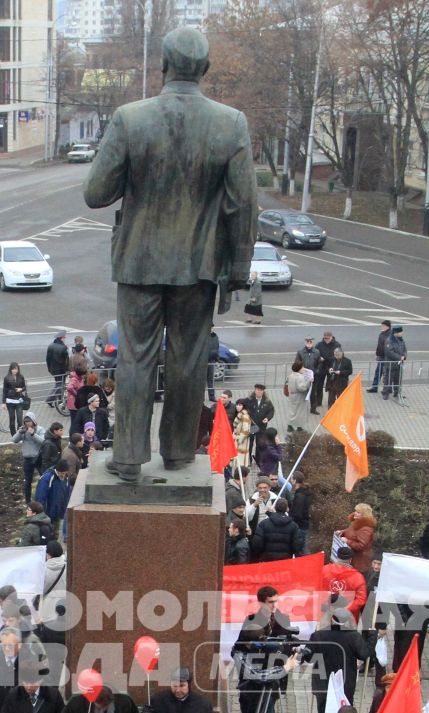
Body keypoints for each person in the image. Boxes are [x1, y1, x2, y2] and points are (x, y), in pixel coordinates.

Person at [81, 25, 255, 482]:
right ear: (205, 68)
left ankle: (128, 457)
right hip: (199, 267)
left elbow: (96, 193)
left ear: (163, 65)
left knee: (134, 358)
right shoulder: (230, 122)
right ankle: (178, 452)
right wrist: (236, 270)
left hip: (139, 261)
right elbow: (243, 205)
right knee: (188, 359)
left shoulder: (130, 119)